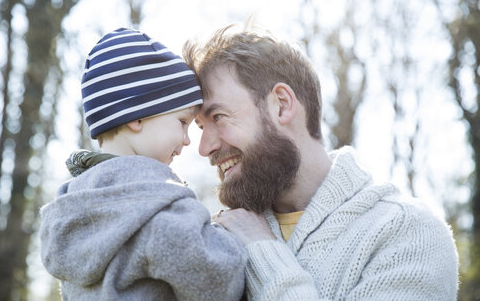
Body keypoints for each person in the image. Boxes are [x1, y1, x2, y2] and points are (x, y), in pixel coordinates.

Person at [183, 24, 459, 301]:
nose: (205, 148)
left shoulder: (409, 234)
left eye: (218, 117)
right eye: (199, 127)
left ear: (281, 104)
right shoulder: (219, 237)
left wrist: (262, 250)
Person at [39, 27, 246, 301]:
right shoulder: (152, 205)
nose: (187, 141)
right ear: (136, 118)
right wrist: (235, 236)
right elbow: (220, 282)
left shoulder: (73, 207)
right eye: (182, 122)